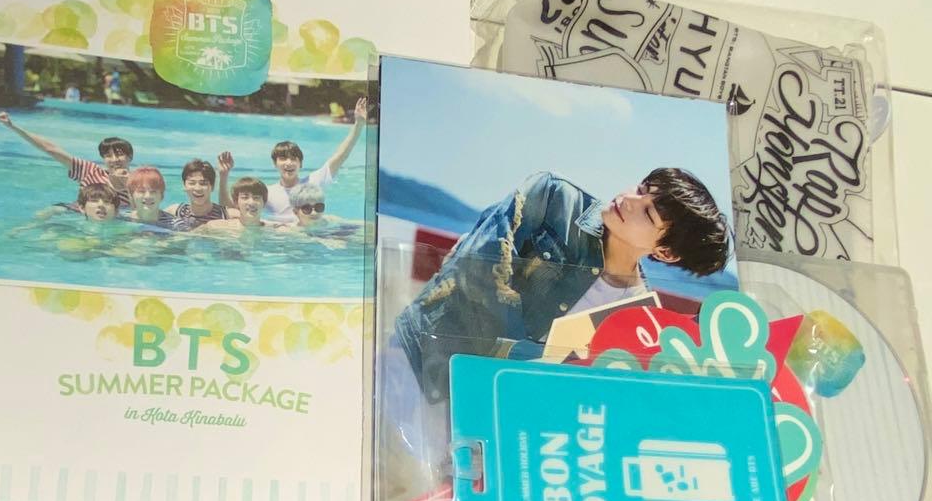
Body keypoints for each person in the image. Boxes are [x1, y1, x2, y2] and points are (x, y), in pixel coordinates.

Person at [396, 168, 731, 402]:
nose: (630, 199)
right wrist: (529, 355)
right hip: (417, 362)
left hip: (480, 412)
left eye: (648, 213)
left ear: (666, 252)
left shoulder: (635, 315)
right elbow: (476, 266)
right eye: (642, 188)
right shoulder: (555, 199)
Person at [260, 97, 368, 223]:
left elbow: (340, 156)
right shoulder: (267, 193)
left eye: (293, 159)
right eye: (283, 158)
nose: (289, 163)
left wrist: (358, 124)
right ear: (275, 163)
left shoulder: (313, 182)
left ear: (300, 164)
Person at [0, 112, 134, 207]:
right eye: (108, 156)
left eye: (119, 154)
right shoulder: (90, 171)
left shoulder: (139, 182)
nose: (114, 160)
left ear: (130, 157)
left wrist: (127, 185)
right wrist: (13, 127)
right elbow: (50, 149)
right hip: (74, 216)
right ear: (103, 159)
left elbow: (139, 214)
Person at [166, 156, 236, 229]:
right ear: (184, 186)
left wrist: (224, 176)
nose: (197, 188)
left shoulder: (227, 215)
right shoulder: (175, 213)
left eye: (203, 183)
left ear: (212, 187)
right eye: (192, 183)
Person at [194, 177, 277, 234]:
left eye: (256, 198)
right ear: (236, 202)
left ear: (264, 202)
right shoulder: (216, 226)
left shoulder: (274, 230)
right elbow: (189, 236)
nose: (251, 202)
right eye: (245, 197)